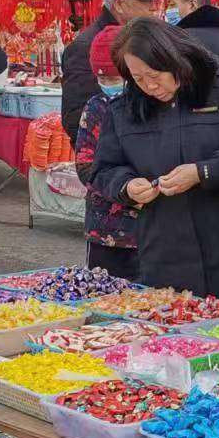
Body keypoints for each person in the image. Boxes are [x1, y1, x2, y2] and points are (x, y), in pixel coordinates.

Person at [91, 19, 219, 302]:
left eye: (155, 74)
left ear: (173, 58)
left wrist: (203, 172)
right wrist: (127, 186)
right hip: (165, 252)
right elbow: (104, 167)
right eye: (138, 78)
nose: (149, 86)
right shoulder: (124, 109)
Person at [61, 0, 166, 140]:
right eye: (145, 0)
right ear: (119, 5)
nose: (152, 7)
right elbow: (74, 118)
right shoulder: (86, 47)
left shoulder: (138, 38)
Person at [73, 26, 139, 281]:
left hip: (147, 232)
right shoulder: (96, 107)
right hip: (105, 231)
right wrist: (125, 188)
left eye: (114, 79)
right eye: (103, 80)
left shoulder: (153, 105)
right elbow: (85, 165)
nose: (109, 87)